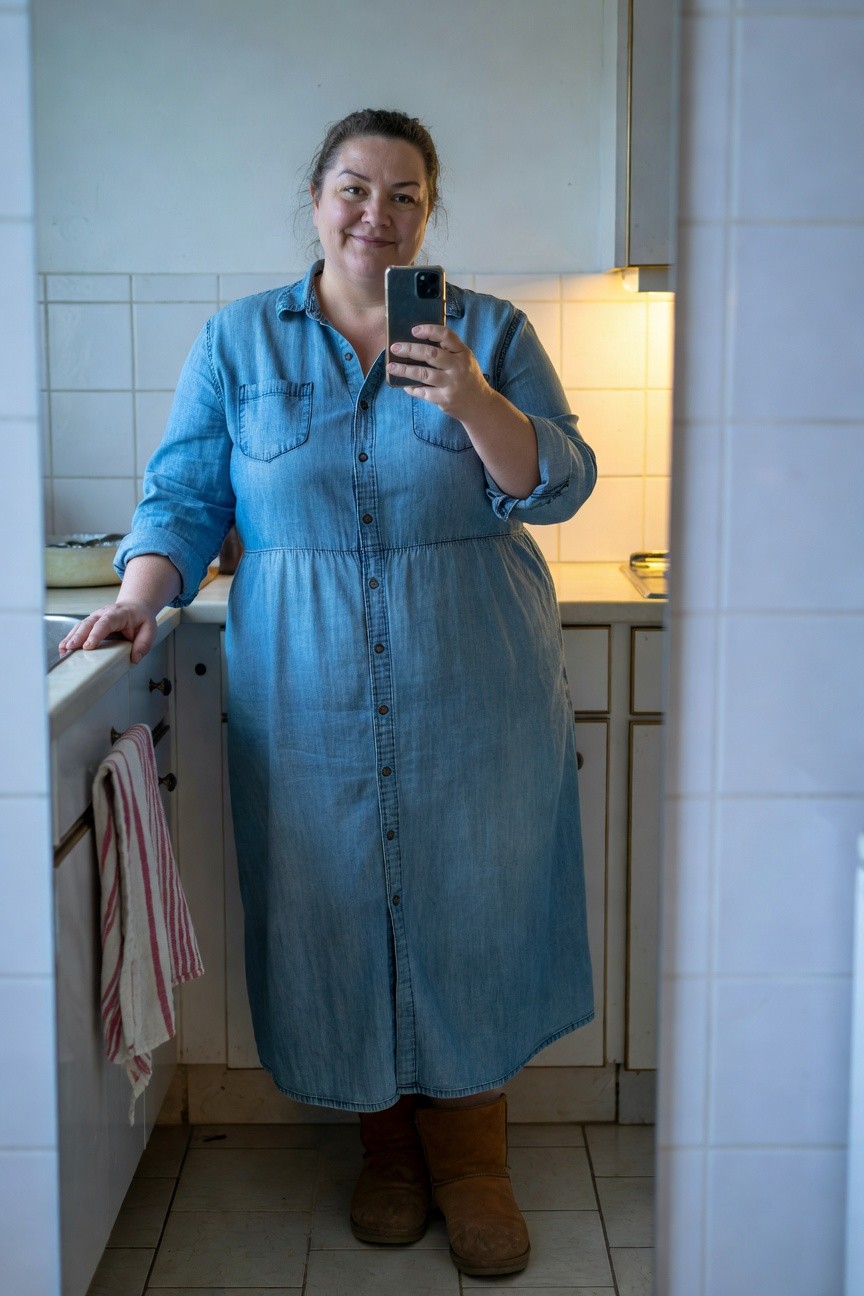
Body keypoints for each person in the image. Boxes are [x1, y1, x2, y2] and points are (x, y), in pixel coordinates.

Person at [59, 108, 598, 1278]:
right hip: (306, 696)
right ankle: (388, 1150)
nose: (378, 214)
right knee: (336, 911)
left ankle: (474, 1156)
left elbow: (558, 484)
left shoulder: (488, 332)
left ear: (428, 214)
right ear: (316, 199)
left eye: (405, 195)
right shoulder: (238, 342)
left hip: (475, 684)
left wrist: (470, 399)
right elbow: (182, 498)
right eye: (356, 188)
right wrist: (144, 598)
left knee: (477, 904)